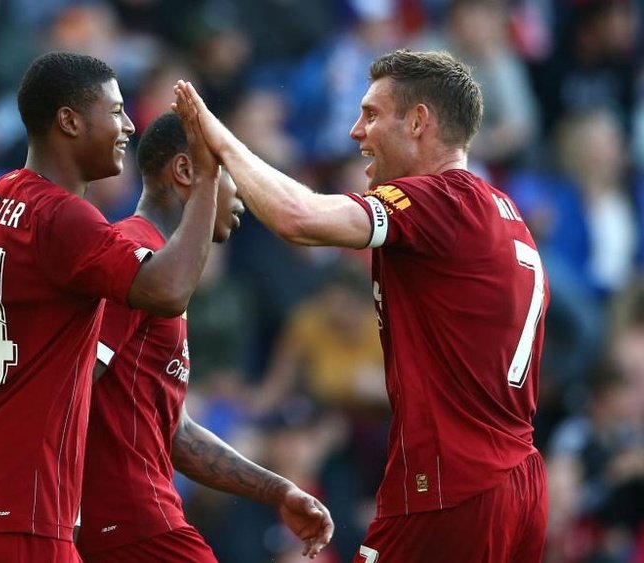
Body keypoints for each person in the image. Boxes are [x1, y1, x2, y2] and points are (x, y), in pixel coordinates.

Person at [175, 49, 550, 561]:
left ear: (419, 122)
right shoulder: (502, 212)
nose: (356, 131)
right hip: (514, 480)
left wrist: (221, 140)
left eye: (371, 114)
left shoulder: (441, 201)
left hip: (452, 484)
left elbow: (298, 218)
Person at [0, 52, 221, 563]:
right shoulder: (65, 219)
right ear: (70, 120)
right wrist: (207, 179)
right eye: (116, 110)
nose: (128, 126)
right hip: (19, 510)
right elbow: (166, 291)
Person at [77, 111, 334, 562]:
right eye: (231, 178)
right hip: (127, 524)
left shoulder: (162, 271)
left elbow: (175, 430)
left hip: (133, 518)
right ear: (185, 172)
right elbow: (71, 386)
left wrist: (277, 489)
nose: (242, 198)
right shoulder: (132, 259)